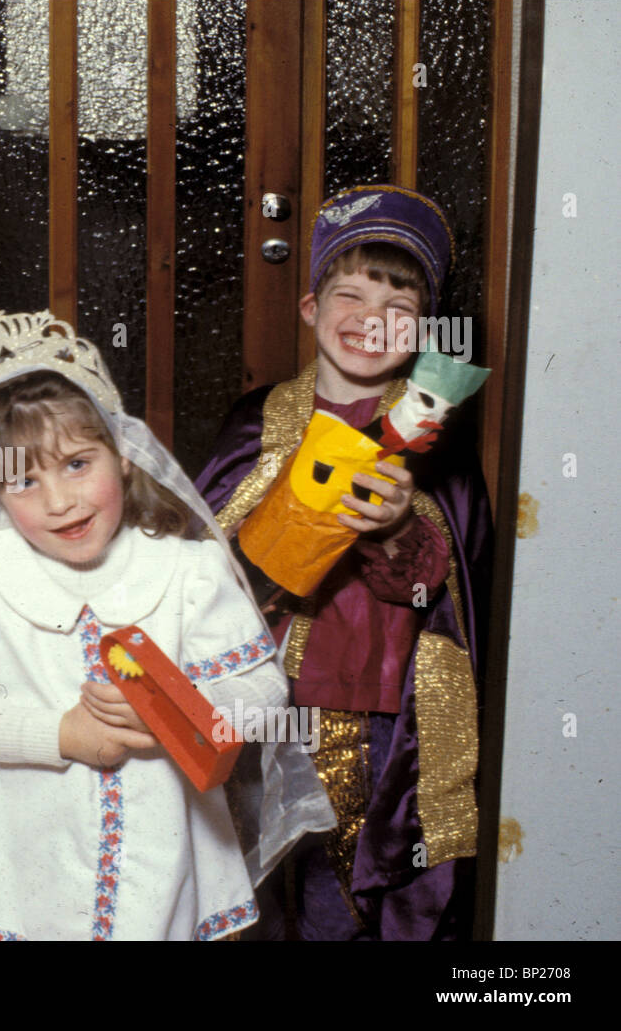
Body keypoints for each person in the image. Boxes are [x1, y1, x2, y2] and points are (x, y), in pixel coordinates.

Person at [0, 311, 333, 940]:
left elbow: (259, 691)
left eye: (76, 464)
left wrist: (184, 710)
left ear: (122, 455)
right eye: (22, 480)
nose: (59, 501)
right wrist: (57, 733)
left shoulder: (185, 570)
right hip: (14, 851)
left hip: (161, 842)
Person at [195, 184, 493, 940]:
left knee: (386, 891)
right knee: (276, 885)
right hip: (281, 700)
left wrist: (396, 528)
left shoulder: (440, 448)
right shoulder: (257, 425)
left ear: (424, 328)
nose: (370, 320)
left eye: (398, 307)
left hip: (396, 717)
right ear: (309, 309)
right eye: (349, 294)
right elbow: (204, 566)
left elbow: (451, 590)